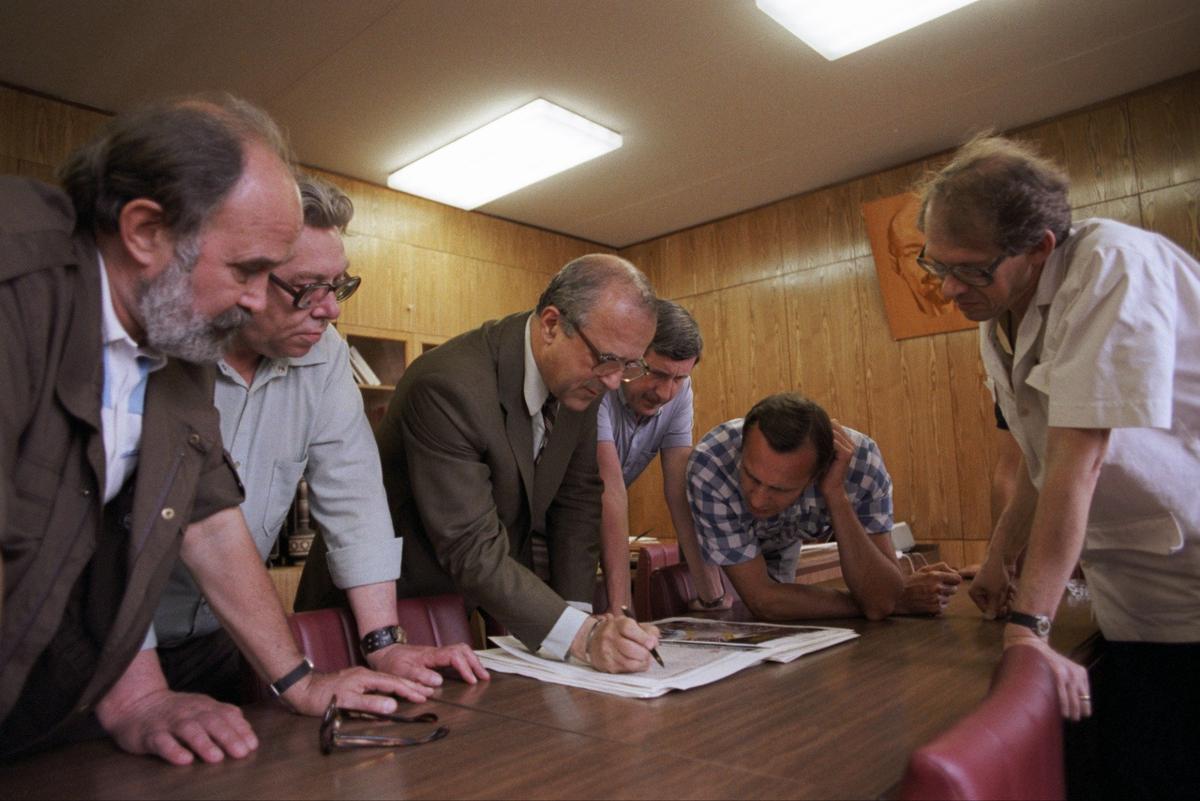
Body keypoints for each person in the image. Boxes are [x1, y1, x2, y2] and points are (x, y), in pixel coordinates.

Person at [0, 97, 417, 764]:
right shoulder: (18, 286)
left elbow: (208, 517)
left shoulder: (178, 335)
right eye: (248, 270)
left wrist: (299, 680)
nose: (255, 300)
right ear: (144, 231)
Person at [134, 174, 488, 733]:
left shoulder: (325, 356)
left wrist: (383, 643)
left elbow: (355, 501)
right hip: (117, 649)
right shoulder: (157, 347)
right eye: (305, 288)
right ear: (244, 274)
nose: (330, 311)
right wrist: (140, 694)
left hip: (227, 638)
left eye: (339, 285)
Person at [916, 133, 1200, 798]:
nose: (951, 288)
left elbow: (1082, 461)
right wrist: (997, 557)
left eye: (972, 269)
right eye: (938, 264)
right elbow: (1041, 464)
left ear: (1040, 246)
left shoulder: (1112, 267)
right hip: (1134, 594)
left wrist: (1027, 627)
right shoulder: (998, 315)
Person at [299, 254, 663, 673]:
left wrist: (580, 617)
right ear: (550, 325)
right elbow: (470, 545)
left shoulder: (581, 381)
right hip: (368, 616)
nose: (615, 381)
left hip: (454, 605)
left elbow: (578, 500)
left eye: (629, 365)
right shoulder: (450, 386)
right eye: (607, 359)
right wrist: (583, 637)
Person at [688, 393, 959, 622]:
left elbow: (879, 601)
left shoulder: (860, 463)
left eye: (781, 489)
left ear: (818, 472)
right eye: (751, 477)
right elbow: (763, 601)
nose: (758, 500)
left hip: (785, 553)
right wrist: (880, 602)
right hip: (722, 570)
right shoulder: (712, 463)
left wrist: (835, 494)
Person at [595, 299, 726, 611]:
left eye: (678, 379)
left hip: (587, 530)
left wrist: (712, 598)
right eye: (656, 373)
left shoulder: (679, 391)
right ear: (630, 357)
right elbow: (608, 491)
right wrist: (623, 615)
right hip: (539, 528)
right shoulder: (600, 382)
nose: (666, 393)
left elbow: (680, 490)